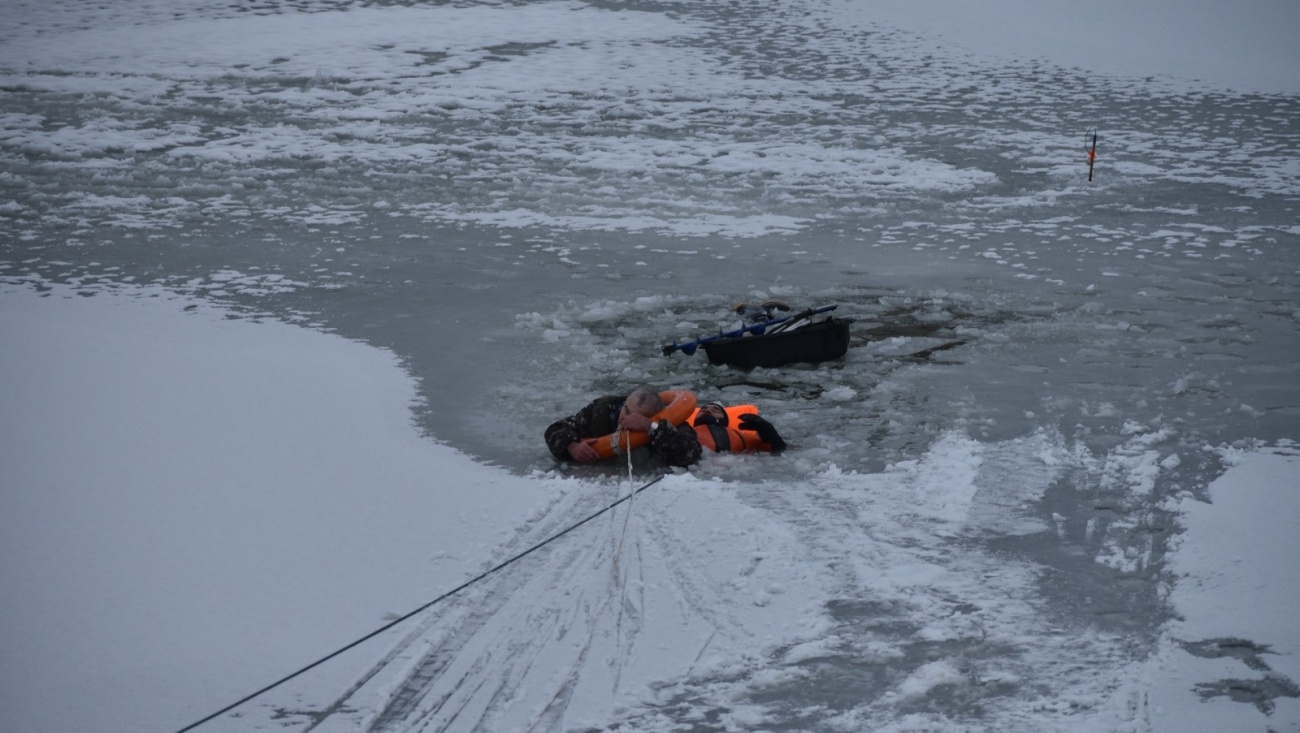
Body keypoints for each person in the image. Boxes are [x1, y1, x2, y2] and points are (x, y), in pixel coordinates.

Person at [545, 386, 702, 467]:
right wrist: (573, 447)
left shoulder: (667, 422)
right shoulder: (603, 411)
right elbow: (556, 429)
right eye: (626, 410)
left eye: (635, 416)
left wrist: (649, 426)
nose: (626, 419)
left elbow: (691, 454)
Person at [691, 401, 786, 453]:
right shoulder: (685, 431)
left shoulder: (741, 437)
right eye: (703, 410)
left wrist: (767, 430)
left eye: (715, 410)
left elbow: (778, 449)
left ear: (725, 420)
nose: (708, 411)